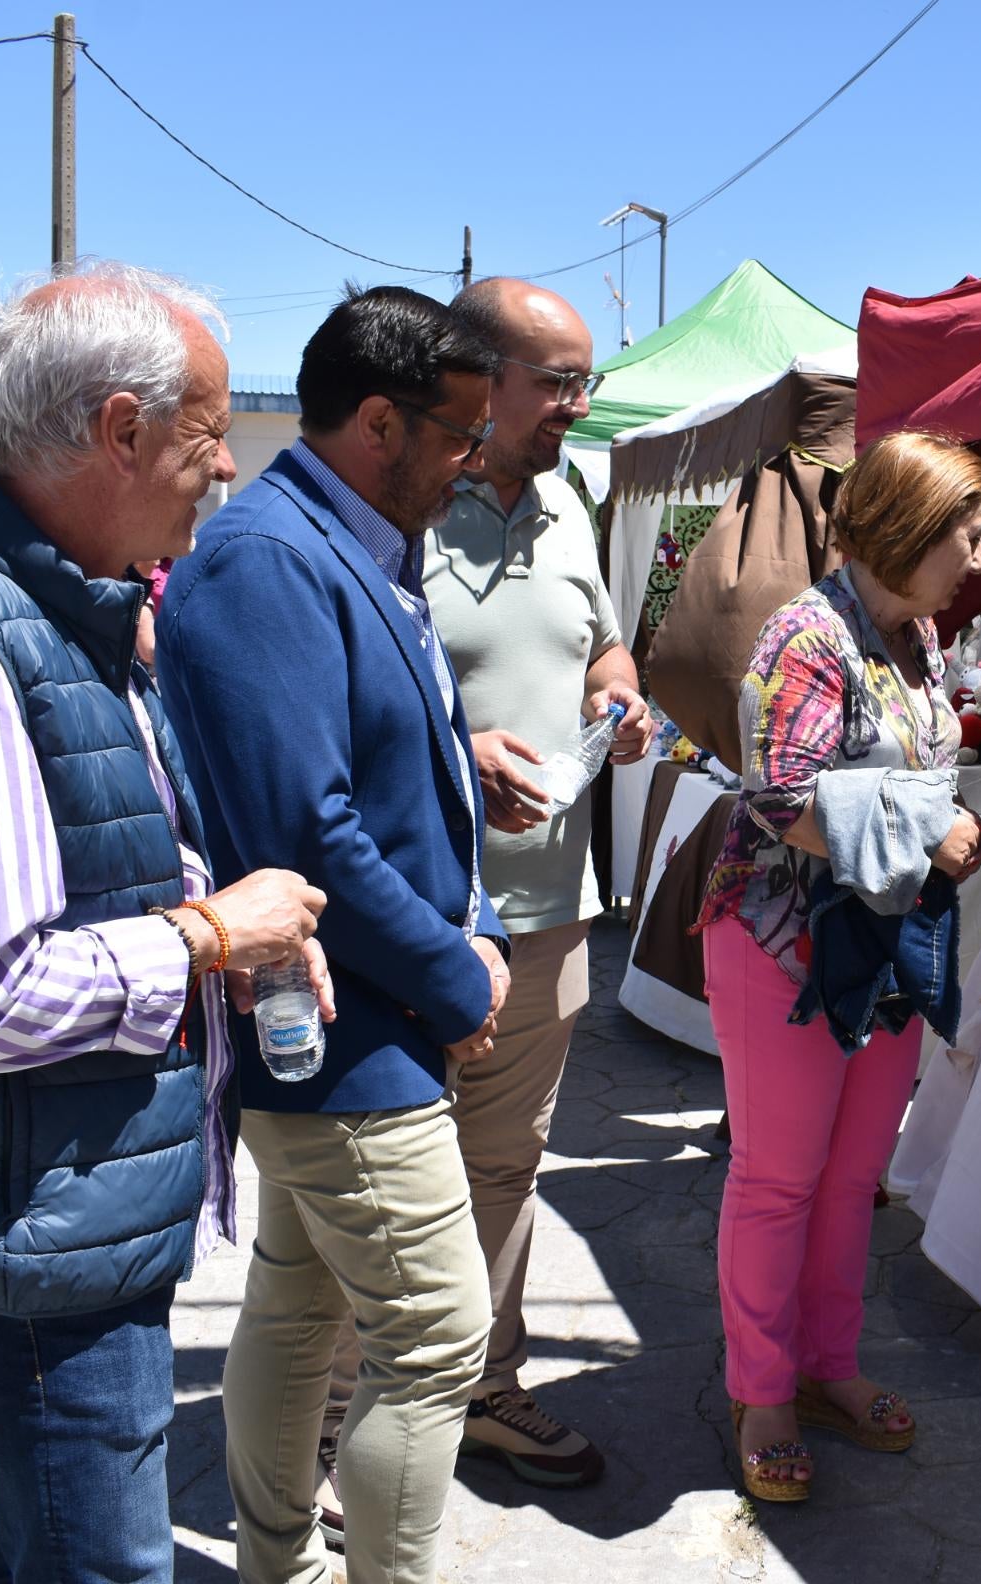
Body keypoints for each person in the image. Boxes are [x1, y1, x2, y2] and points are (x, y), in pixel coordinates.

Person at [0, 261, 331, 1583]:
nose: (222, 470)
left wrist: (214, 908)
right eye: (210, 436)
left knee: (34, 1538)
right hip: (30, 1227)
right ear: (121, 432)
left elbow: (89, 851)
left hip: (52, 1201)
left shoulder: (60, 616)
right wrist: (210, 939)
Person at [157, 284, 511, 1584]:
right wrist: (454, 971)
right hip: (343, 1033)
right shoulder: (270, 557)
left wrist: (469, 765)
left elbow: (350, 759)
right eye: (462, 437)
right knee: (434, 1343)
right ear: (380, 421)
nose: (473, 465)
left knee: (299, 1306)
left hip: (352, 1028)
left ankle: (277, 1566)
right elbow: (305, 831)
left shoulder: (347, 545)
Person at [306, 279, 644, 1528]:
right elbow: (343, 715)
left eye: (584, 380)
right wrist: (467, 751)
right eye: (557, 380)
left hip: (552, 907)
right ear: (477, 377)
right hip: (414, 916)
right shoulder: (390, 511)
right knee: (383, 1178)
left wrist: (618, 693)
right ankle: (337, 1419)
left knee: (505, 1165)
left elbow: (600, 641)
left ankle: (484, 1390)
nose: (577, 404)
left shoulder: (570, 501)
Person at [697, 428, 981, 1502]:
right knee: (779, 1180)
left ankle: (826, 1367)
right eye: (963, 535)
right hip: (786, 946)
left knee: (852, 1178)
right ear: (910, 528)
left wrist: (942, 827)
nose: (973, 558)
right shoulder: (805, 637)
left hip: (881, 945)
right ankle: (763, 1392)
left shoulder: (919, 634)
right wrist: (930, 833)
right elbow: (779, 797)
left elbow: (910, 773)